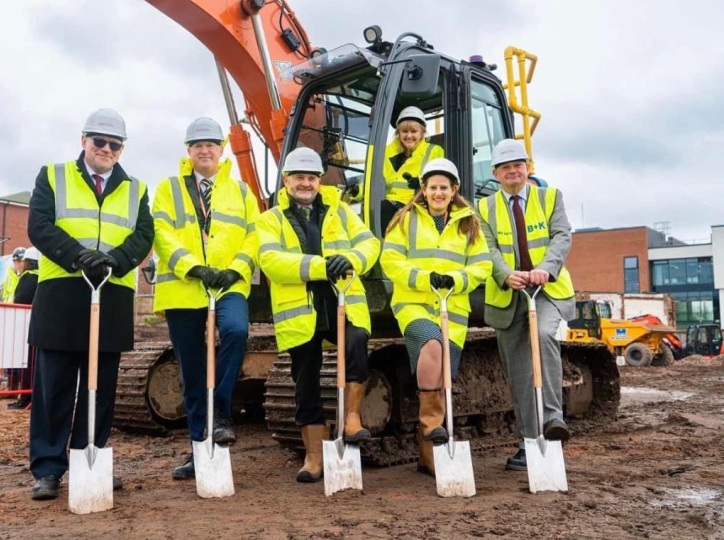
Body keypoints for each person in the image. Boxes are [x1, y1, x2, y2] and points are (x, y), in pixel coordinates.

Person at [26, 108, 153, 500]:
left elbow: (144, 233)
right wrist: (77, 256)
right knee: (54, 387)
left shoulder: (136, 188)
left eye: (115, 144)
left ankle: (89, 457)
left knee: (101, 386)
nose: (107, 149)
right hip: (63, 291)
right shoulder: (53, 175)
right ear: (84, 140)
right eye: (99, 141)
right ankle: (48, 468)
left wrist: (115, 260)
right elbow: (39, 225)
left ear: (122, 148)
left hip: (111, 293)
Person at [257, 147, 380, 483]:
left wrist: (352, 259)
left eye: (311, 177)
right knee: (305, 377)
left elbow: (370, 243)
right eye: (299, 177)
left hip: (343, 302)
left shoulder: (340, 211)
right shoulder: (270, 219)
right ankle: (313, 455)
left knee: (356, 341)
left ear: (319, 180)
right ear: (286, 181)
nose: (306, 183)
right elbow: (270, 260)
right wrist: (321, 265)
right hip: (301, 312)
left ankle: (351, 418)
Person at [152, 117, 260, 481]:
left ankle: (222, 411)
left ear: (221, 149)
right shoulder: (169, 188)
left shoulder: (241, 191)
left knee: (235, 331)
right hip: (184, 286)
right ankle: (200, 445)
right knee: (192, 368)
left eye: (210, 144)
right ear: (188, 151)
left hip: (228, 283)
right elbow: (162, 233)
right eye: (197, 145)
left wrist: (235, 270)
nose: (204, 150)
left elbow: (253, 236)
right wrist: (193, 267)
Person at [380, 158, 492, 476]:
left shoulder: (468, 224)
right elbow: (390, 259)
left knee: (444, 374)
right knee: (431, 345)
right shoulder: (405, 220)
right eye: (433, 187)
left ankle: (428, 455)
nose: (438, 192)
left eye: (444, 187)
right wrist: (423, 278)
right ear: (424, 190)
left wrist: (457, 281)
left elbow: (482, 264)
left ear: (453, 190)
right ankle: (431, 426)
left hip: (453, 309)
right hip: (414, 304)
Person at [477, 139, 575, 472]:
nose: (512, 171)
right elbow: (486, 248)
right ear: (495, 173)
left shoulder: (550, 198)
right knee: (518, 371)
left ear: (528, 167)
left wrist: (545, 269)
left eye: (518, 165)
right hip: (508, 296)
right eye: (505, 167)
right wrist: (505, 275)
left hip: (546, 291)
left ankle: (553, 420)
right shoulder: (484, 208)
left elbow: (562, 235)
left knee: (545, 336)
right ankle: (528, 442)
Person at [380, 106, 445, 233]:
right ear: (398, 133)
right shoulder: (386, 153)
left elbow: (441, 178)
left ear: (422, 133)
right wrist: (357, 191)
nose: (409, 136)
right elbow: (375, 179)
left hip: (419, 203)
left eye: (414, 132)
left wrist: (421, 182)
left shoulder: (434, 151)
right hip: (390, 202)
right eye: (404, 131)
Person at [8, 247, 40, 410]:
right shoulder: (42, 277)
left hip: (26, 326)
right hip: (38, 324)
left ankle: (26, 397)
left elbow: (21, 300)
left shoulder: (29, 277)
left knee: (27, 363)